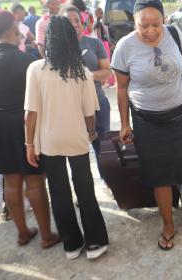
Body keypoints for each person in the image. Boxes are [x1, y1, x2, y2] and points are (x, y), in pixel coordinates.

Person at [111, 0, 182, 251]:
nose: (150, 31)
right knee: (160, 175)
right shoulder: (124, 47)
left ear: (164, 20)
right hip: (148, 122)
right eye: (143, 25)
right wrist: (125, 124)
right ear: (134, 23)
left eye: (156, 24)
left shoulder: (176, 33)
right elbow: (122, 89)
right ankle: (168, 224)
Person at [24, 15, 109, 260]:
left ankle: (72, 244)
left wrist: (29, 143)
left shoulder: (35, 69)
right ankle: (95, 242)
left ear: (48, 40)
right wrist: (91, 132)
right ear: (72, 40)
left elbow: (31, 113)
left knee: (59, 192)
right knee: (85, 190)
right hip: (77, 139)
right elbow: (89, 113)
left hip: (49, 141)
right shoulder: (82, 71)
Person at [0, 9, 60, 248]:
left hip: (0, 127)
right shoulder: (29, 62)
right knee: (35, 182)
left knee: (11, 182)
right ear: (15, 31)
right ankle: (47, 235)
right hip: (25, 125)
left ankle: (23, 233)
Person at [62, 5, 111, 180]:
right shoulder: (57, 48)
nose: (75, 24)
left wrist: (88, 75)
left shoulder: (94, 43)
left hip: (98, 103)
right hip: (71, 109)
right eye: (69, 21)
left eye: (78, 21)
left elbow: (107, 72)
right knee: (77, 155)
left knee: (103, 149)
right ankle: (84, 190)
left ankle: (108, 182)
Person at [93, 7, 114, 87]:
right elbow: (99, 36)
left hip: (104, 43)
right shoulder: (98, 23)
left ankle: (110, 81)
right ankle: (109, 81)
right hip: (102, 43)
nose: (102, 14)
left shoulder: (99, 22)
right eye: (100, 13)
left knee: (107, 61)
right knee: (106, 62)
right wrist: (102, 44)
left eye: (102, 12)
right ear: (97, 14)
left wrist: (109, 43)